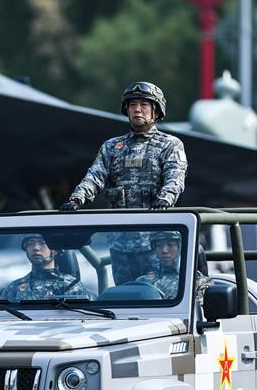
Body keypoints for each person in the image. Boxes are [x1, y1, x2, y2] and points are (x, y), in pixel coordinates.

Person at [59, 81, 188, 283]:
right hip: (121, 244)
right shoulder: (112, 147)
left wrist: (164, 200)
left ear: (156, 110)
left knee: (159, 294)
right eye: (132, 104)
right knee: (124, 296)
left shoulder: (169, 145)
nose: (137, 109)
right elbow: (95, 175)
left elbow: (176, 177)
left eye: (144, 105)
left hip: (156, 242)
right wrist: (77, 199)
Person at [0, 234, 89, 302]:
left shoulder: (72, 286)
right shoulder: (13, 288)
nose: (36, 248)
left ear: (56, 250)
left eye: (43, 243)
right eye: (30, 243)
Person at [135, 231, 181, 298]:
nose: (164, 250)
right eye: (159, 245)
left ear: (179, 248)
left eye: (170, 245)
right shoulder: (143, 281)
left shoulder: (193, 279)